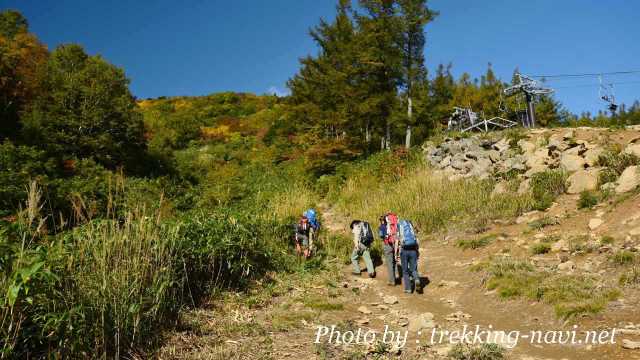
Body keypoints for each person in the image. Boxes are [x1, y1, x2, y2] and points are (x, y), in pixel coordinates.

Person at [397, 219, 421, 294]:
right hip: (413, 250)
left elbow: (397, 241)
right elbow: (417, 241)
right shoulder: (412, 230)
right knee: (414, 269)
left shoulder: (399, 228)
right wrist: (417, 251)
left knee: (405, 271)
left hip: (404, 251)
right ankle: (416, 279)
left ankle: (408, 289)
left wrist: (396, 253)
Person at [379, 216, 396, 286]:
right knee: (394, 261)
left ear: (382, 221)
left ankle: (392, 281)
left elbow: (380, 235)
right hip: (395, 244)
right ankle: (397, 275)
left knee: (389, 263)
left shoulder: (381, 227)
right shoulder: (392, 225)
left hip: (387, 245)